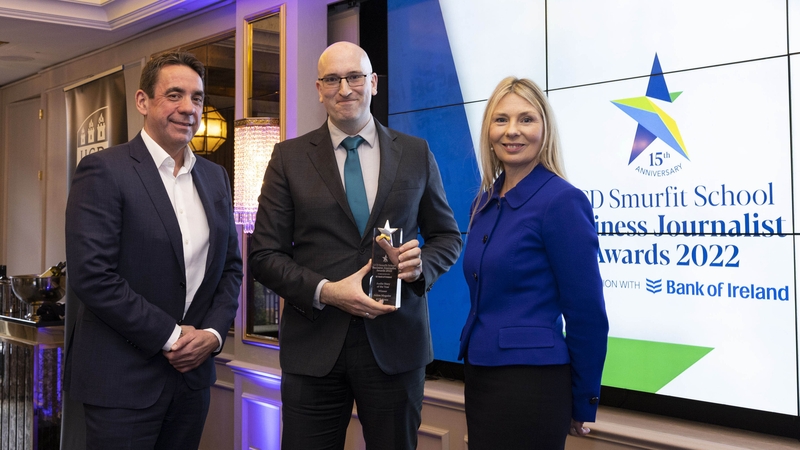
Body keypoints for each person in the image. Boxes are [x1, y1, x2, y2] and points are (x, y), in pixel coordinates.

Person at [249, 41, 462, 450]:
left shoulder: (416, 153)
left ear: (373, 82)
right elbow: (263, 254)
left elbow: (447, 237)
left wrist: (422, 268)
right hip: (313, 346)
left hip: (395, 345)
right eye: (332, 79)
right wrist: (326, 292)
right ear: (318, 88)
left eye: (354, 77)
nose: (344, 88)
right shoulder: (288, 158)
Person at [64, 51, 243, 450]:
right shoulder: (105, 171)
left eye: (196, 98)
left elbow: (230, 269)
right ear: (143, 101)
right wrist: (172, 336)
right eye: (174, 95)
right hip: (121, 383)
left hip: (191, 380)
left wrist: (212, 335)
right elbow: (93, 275)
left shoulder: (215, 178)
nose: (188, 108)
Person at [458, 77, 609, 450]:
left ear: (545, 128)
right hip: (481, 376)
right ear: (488, 130)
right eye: (501, 120)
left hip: (533, 386)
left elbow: (586, 312)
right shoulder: (485, 201)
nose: (512, 131)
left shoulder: (562, 201)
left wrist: (584, 398)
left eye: (526, 119)